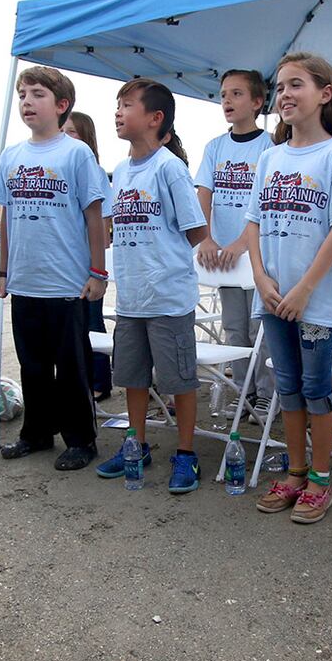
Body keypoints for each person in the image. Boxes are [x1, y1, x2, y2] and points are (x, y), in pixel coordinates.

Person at [242, 52, 332, 524]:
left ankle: (321, 479)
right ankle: (295, 472)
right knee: (286, 386)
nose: (285, 95)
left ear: (324, 94)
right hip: (273, 296)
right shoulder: (270, 157)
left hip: (313, 301)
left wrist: (306, 288)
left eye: (297, 85)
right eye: (281, 88)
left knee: (316, 388)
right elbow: (253, 223)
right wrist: (260, 277)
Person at [94, 81, 208, 491]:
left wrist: (166, 260)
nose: (118, 112)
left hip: (168, 299)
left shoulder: (169, 168)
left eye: (127, 105)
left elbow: (196, 230)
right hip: (131, 298)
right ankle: (135, 445)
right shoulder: (121, 171)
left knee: (179, 380)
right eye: (117, 105)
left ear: (156, 118)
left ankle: (186, 454)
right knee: (133, 377)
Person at [0, 66, 108, 471]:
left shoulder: (76, 153)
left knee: (72, 366)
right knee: (33, 365)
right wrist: (3, 271)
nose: (26, 101)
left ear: (61, 105)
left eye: (37, 93)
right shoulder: (11, 156)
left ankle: (81, 440)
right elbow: (6, 219)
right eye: (23, 93)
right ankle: (36, 434)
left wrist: (98, 273)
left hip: (67, 283)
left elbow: (95, 215)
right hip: (26, 281)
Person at [195, 68, 274, 423]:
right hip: (224, 258)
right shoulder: (215, 147)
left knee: (262, 327)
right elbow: (204, 194)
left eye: (237, 94)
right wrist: (207, 237)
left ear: (257, 102)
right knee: (234, 328)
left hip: (256, 255)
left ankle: (266, 394)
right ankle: (244, 391)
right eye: (224, 94)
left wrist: (244, 242)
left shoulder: (270, 147)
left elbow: (268, 202)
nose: (227, 100)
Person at [62, 111, 114, 401]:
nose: (66, 136)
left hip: (88, 263)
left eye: (72, 132)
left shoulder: (92, 169)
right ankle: (77, 381)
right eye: (63, 131)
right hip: (65, 263)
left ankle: (99, 381)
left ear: (86, 137)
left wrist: (97, 266)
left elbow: (103, 224)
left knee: (92, 321)